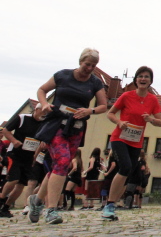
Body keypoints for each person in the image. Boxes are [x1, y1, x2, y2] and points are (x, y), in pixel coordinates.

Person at [28, 47, 108, 225]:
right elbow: (41, 90)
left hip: (76, 128)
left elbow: (103, 105)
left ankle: (37, 200)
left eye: (93, 66)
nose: (89, 68)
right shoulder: (63, 75)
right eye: (87, 64)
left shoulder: (95, 83)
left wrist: (90, 110)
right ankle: (51, 210)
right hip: (57, 124)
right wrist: (44, 104)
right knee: (63, 161)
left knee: (59, 166)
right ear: (80, 62)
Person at [101, 66, 161, 221]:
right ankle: (109, 205)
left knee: (127, 172)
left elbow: (160, 122)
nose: (143, 79)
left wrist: (150, 119)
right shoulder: (127, 96)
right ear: (135, 80)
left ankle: (113, 204)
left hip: (136, 141)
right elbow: (110, 113)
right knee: (125, 167)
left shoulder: (153, 100)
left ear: (150, 81)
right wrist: (119, 122)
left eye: (146, 77)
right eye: (140, 76)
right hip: (119, 138)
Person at [0, 104, 45, 218]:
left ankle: (6, 207)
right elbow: (5, 130)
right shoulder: (22, 118)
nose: (45, 114)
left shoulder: (44, 123)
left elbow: (41, 142)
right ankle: (1, 200)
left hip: (28, 157)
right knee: (13, 179)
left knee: (21, 184)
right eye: (43, 111)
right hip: (14, 154)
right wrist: (14, 141)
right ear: (37, 109)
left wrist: (35, 156)